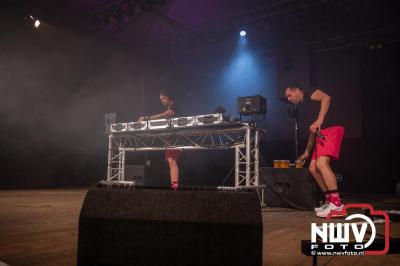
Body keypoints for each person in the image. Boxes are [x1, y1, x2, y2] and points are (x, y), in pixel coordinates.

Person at [284, 82, 345, 218]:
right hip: (321, 134)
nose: (289, 99)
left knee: (321, 164)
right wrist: (306, 152)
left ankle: (337, 205)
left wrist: (320, 120)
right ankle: (330, 201)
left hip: (331, 128)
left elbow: (326, 98)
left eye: (289, 95)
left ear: (297, 91)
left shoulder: (308, 91)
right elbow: (312, 132)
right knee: (313, 167)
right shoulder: (304, 110)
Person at [139, 89, 181, 190]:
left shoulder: (175, 106)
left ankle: (175, 185)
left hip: (177, 137)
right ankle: (174, 185)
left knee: (172, 160)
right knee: (170, 161)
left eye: (164, 98)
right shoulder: (169, 106)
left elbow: (165, 114)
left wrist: (148, 118)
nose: (162, 100)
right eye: (161, 99)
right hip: (170, 138)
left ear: (169, 97)